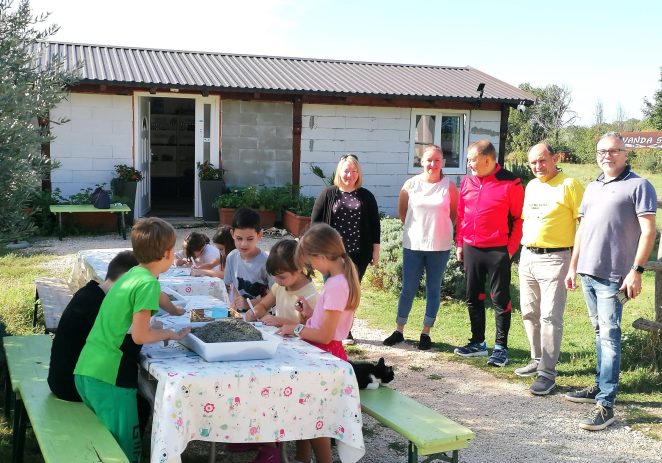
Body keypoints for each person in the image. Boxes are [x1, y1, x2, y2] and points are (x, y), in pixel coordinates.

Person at [74, 218, 191, 463]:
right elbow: (141, 335)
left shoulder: (134, 274)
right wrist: (171, 333)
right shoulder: (147, 282)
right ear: (168, 253)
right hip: (111, 377)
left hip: (88, 369)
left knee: (107, 442)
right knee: (126, 448)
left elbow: (156, 293)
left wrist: (173, 310)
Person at [564, 132, 657, 431]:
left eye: (614, 150)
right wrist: (573, 266)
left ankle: (607, 404)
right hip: (588, 272)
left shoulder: (640, 185)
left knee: (609, 336)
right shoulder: (592, 186)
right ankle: (598, 387)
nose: (608, 155)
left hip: (615, 276)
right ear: (596, 155)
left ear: (625, 153)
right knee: (598, 331)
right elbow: (581, 230)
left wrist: (637, 270)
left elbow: (649, 232)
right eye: (602, 151)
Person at [278, 223, 361, 463]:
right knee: (306, 411)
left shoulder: (336, 284)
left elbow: (326, 335)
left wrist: (297, 328)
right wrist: (310, 313)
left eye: (310, 261)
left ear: (321, 256)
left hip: (326, 356)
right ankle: (302, 457)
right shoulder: (339, 277)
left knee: (315, 419)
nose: (310, 266)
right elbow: (327, 324)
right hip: (324, 353)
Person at [516, 143, 584, 395]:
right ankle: (537, 360)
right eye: (533, 163)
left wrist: (574, 264)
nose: (538, 167)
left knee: (549, 317)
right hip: (528, 256)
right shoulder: (532, 186)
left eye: (542, 161)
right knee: (529, 312)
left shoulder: (570, 185)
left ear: (555, 158)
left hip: (556, 258)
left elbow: (583, 225)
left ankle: (548, 374)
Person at [454, 140, 524, 367]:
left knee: (500, 299)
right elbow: (462, 215)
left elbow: (519, 219)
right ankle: (478, 342)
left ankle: (501, 348)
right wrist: (459, 243)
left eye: (472, 159)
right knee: (473, 296)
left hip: (498, 250)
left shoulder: (510, 182)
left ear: (487, 159)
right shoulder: (467, 182)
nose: (469, 163)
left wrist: (510, 249)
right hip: (471, 247)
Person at [382, 145, 458, 350]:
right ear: (421, 161)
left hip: (440, 246)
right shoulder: (410, 184)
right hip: (413, 245)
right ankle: (399, 330)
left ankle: (426, 332)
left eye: (437, 160)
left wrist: (439, 230)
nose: (432, 164)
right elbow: (402, 212)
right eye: (429, 160)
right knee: (408, 289)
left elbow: (453, 214)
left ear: (443, 162)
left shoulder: (449, 186)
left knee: (433, 290)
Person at [48, 250, 139, 402]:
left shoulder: (91, 292)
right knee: (138, 398)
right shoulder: (99, 306)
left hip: (63, 379)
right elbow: (126, 349)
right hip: (71, 387)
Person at [311, 153, 380, 344]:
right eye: (346, 171)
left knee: (350, 292)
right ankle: (328, 327)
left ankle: (346, 329)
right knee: (332, 291)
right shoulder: (328, 194)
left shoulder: (366, 196)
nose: (350, 175)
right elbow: (315, 223)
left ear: (359, 173)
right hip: (331, 255)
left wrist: (376, 251)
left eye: (354, 171)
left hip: (358, 254)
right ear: (339, 172)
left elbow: (375, 225)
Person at [245, 239, 318, 326]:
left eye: (282, 277)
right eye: (274, 275)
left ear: (299, 268)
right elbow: (263, 305)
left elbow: (311, 329)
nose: (277, 280)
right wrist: (256, 311)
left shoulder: (310, 296)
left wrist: (282, 322)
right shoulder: (280, 286)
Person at [223, 208, 272, 311]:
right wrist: (236, 301)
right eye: (239, 238)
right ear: (232, 234)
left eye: (250, 239)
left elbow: (276, 295)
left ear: (259, 235)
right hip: (239, 313)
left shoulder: (267, 262)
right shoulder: (231, 257)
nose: (244, 244)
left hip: (261, 316)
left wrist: (249, 303)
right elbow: (232, 285)